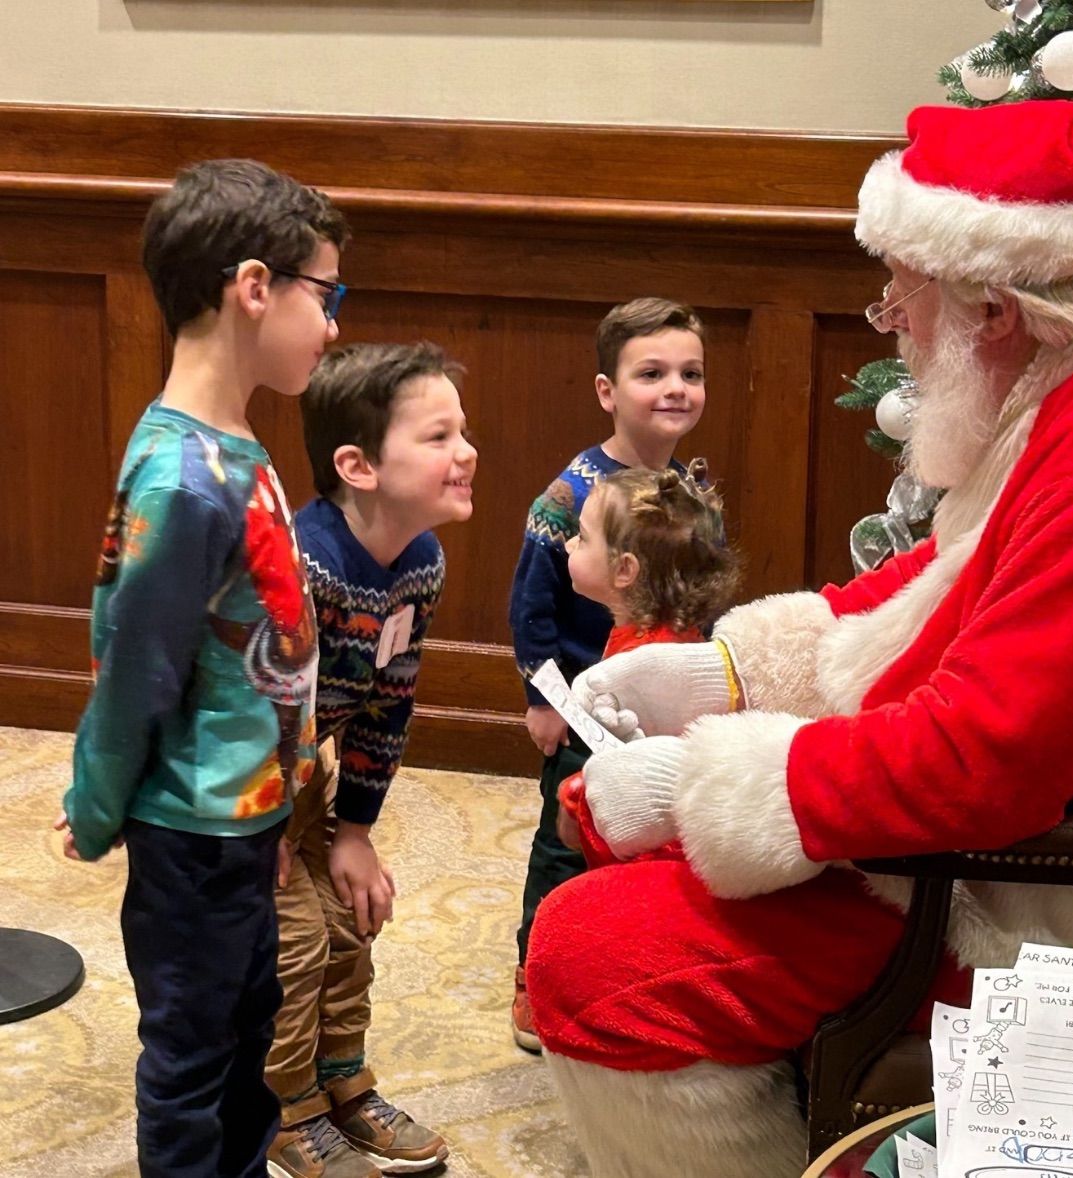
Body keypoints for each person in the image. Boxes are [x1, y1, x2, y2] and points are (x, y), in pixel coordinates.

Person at [526, 99, 1073, 1178]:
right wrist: (723, 672)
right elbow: (951, 574)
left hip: (1047, 883)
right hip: (990, 835)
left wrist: (702, 778)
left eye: (901, 299)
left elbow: (992, 758)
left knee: (598, 961)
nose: (893, 322)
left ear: (994, 309)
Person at [56, 159, 348, 1178]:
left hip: (247, 815)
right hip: (189, 829)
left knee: (246, 1023)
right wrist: (96, 805)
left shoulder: (236, 442)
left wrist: (285, 800)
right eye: (328, 294)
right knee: (191, 1045)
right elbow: (133, 668)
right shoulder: (183, 475)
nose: (335, 324)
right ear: (255, 286)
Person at [265, 342, 476, 1178]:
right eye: (438, 437)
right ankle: (283, 1107)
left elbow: (387, 704)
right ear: (357, 465)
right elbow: (257, 709)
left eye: (465, 431)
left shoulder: (419, 562)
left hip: (312, 774)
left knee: (353, 916)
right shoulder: (302, 564)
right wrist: (268, 826)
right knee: (296, 939)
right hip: (243, 780)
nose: (466, 453)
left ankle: (341, 1084)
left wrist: (354, 830)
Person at [507, 297, 707, 1051]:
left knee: (644, 838)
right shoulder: (572, 496)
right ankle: (535, 971)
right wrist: (543, 698)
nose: (675, 388)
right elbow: (530, 607)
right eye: (652, 373)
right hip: (583, 703)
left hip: (658, 696)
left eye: (691, 373)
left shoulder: (686, 492)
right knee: (566, 837)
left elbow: (701, 593)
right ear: (607, 391)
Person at [553, 459, 742, 866]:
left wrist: (578, 800)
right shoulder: (658, 637)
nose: (569, 544)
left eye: (583, 539)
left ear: (624, 570)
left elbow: (641, 787)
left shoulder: (646, 666)